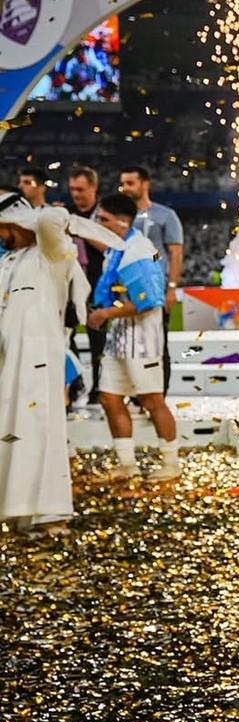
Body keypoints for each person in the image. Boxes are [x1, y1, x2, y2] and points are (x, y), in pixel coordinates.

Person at [0, 190, 123, 534]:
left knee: (40, 431)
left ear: (14, 221)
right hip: (10, 365)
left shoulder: (51, 254)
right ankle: (20, 511)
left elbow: (53, 221)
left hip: (39, 364)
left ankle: (51, 513)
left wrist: (23, 210)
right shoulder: (9, 261)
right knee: (12, 435)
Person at [87, 193, 181, 484]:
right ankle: (127, 465)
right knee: (109, 397)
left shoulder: (138, 252)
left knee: (152, 400)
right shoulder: (116, 249)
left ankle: (171, 462)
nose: (97, 224)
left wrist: (104, 315)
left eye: (102, 219)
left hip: (142, 340)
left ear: (121, 221)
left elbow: (150, 301)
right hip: (120, 337)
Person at [119, 165, 184, 391]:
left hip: (156, 287)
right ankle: (134, 392)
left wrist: (172, 288)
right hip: (125, 290)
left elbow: (175, 253)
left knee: (157, 342)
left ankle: (159, 393)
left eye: (130, 183)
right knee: (128, 341)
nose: (125, 188)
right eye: (123, 184)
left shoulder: (165, 215)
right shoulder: (119, 218)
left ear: (145, 184)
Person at [66, 165, 106, 404]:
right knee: (67, 336)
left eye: (80, 189)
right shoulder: (67, 213)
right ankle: (75, 381)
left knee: (97, 337)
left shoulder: (104, 214)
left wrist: (81, 231)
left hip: (98, 284)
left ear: (93, 187)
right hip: (69, 285)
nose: (76, 194)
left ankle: (99, 388)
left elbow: (110, 246)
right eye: (72, 189)